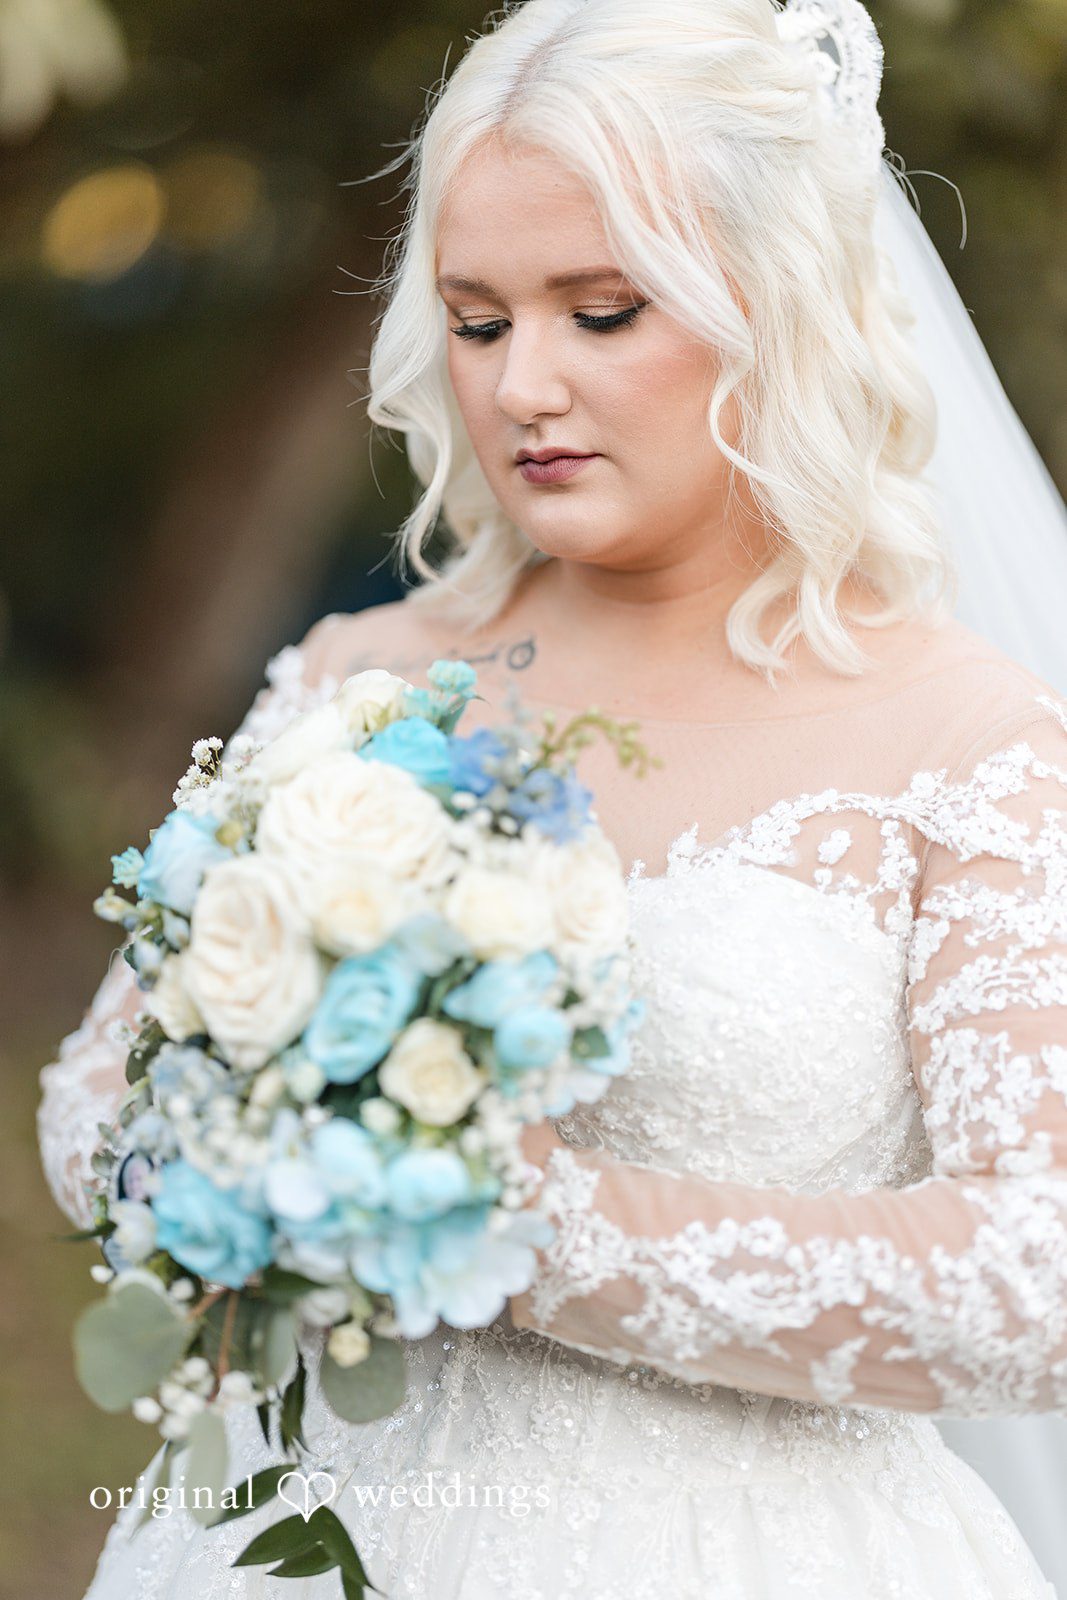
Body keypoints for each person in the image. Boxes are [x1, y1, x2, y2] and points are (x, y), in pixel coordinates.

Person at [38, 1, 1067, 1595]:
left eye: (601, 312)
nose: (522, 385)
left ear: (776, 305)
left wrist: (515, 1227)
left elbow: (1033, 1278)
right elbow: (94, 1106)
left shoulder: (967, 740)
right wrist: (270, 1159)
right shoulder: (357, 683)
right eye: (476, 320)